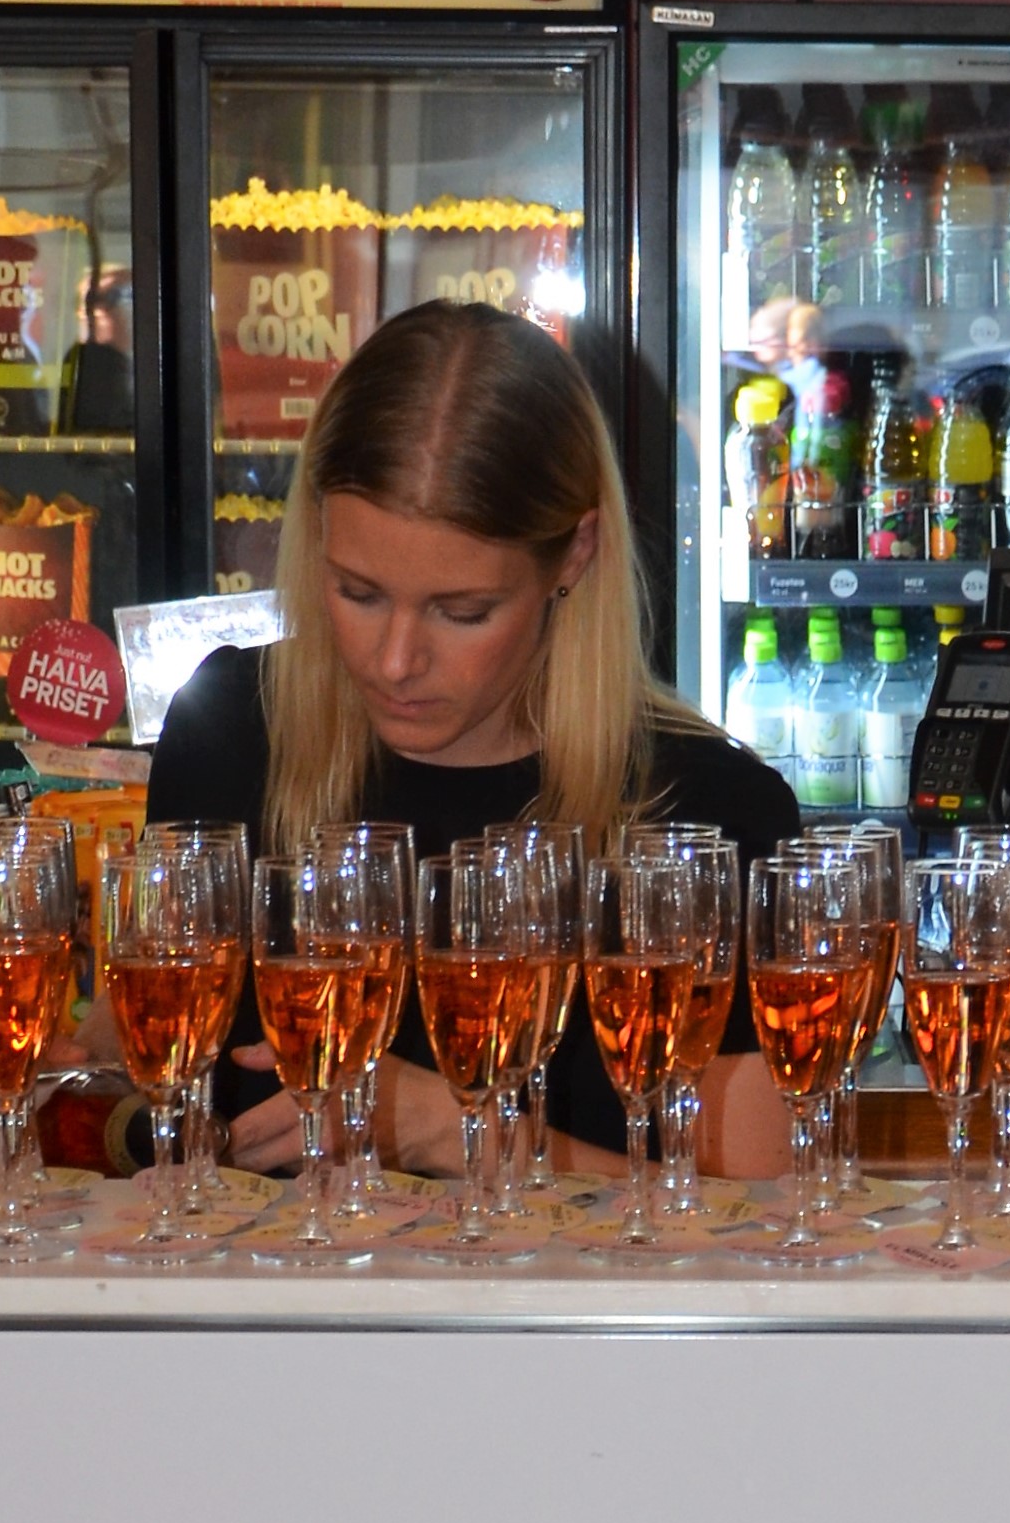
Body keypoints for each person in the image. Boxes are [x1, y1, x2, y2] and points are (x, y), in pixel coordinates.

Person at [148, 302, 797, 1176]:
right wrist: (62, 1097)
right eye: (358, 593)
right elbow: (158, 1068)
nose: (395, 660)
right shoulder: (227, 731)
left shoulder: (709, 810)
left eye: (461, 612)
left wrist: (464, 1133)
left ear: (574, 555)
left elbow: (754, 1225)